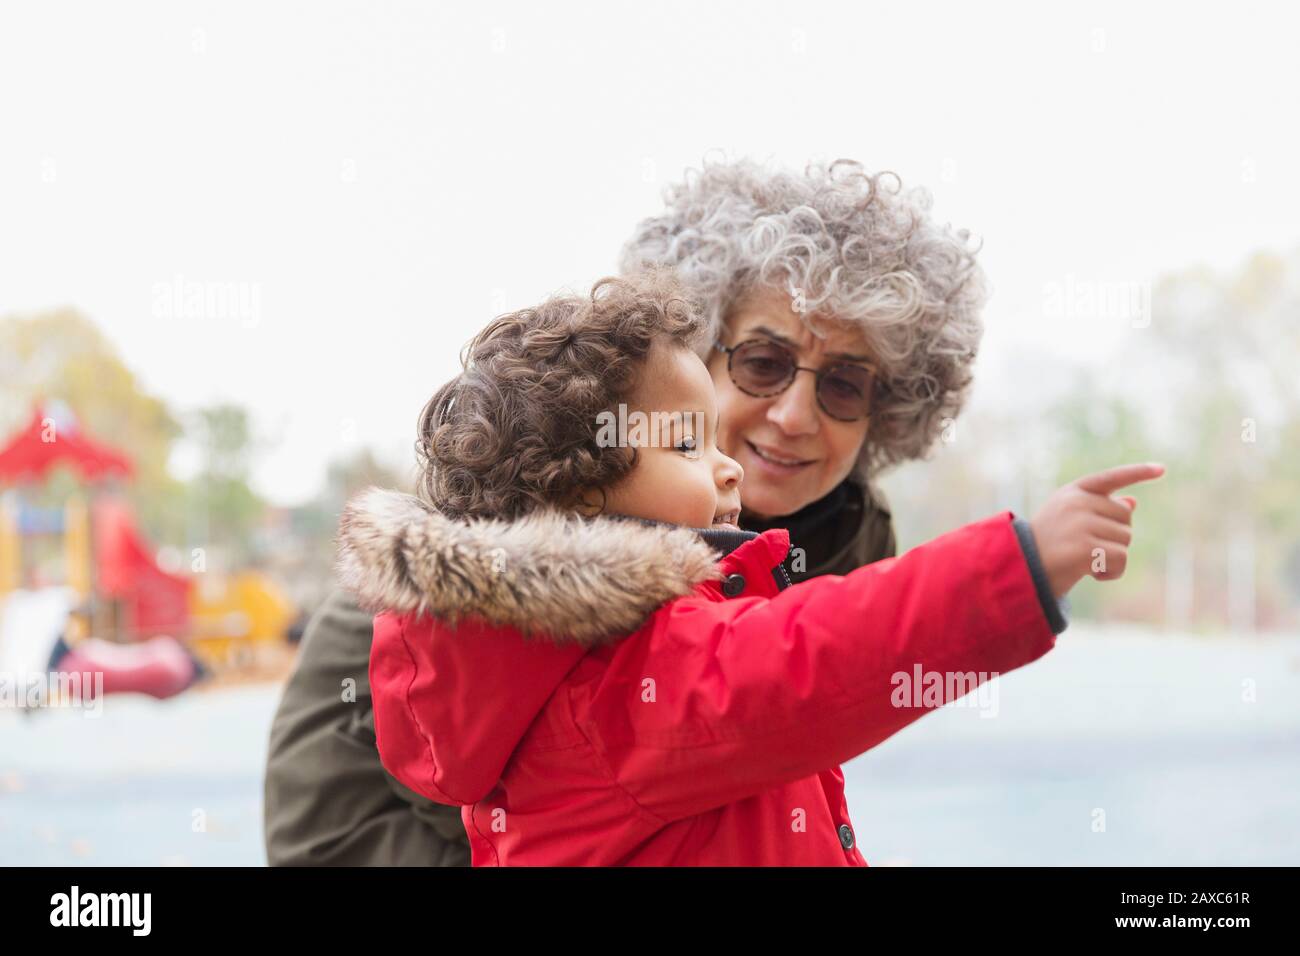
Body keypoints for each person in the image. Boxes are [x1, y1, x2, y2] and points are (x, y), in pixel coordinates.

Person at [263, 156, 1054, 865]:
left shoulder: (848, 541)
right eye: (764, 362)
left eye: (844, 384)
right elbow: (359, 823)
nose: (795, 415)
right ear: (694, 359)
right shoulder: (481, 546)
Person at [336, 270, 1162, 865]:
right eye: (687, 443)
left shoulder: (528, 665)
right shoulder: (627, 674)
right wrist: (1019, 566)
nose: (726, 463)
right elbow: (819, 657)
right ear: (582, 497)